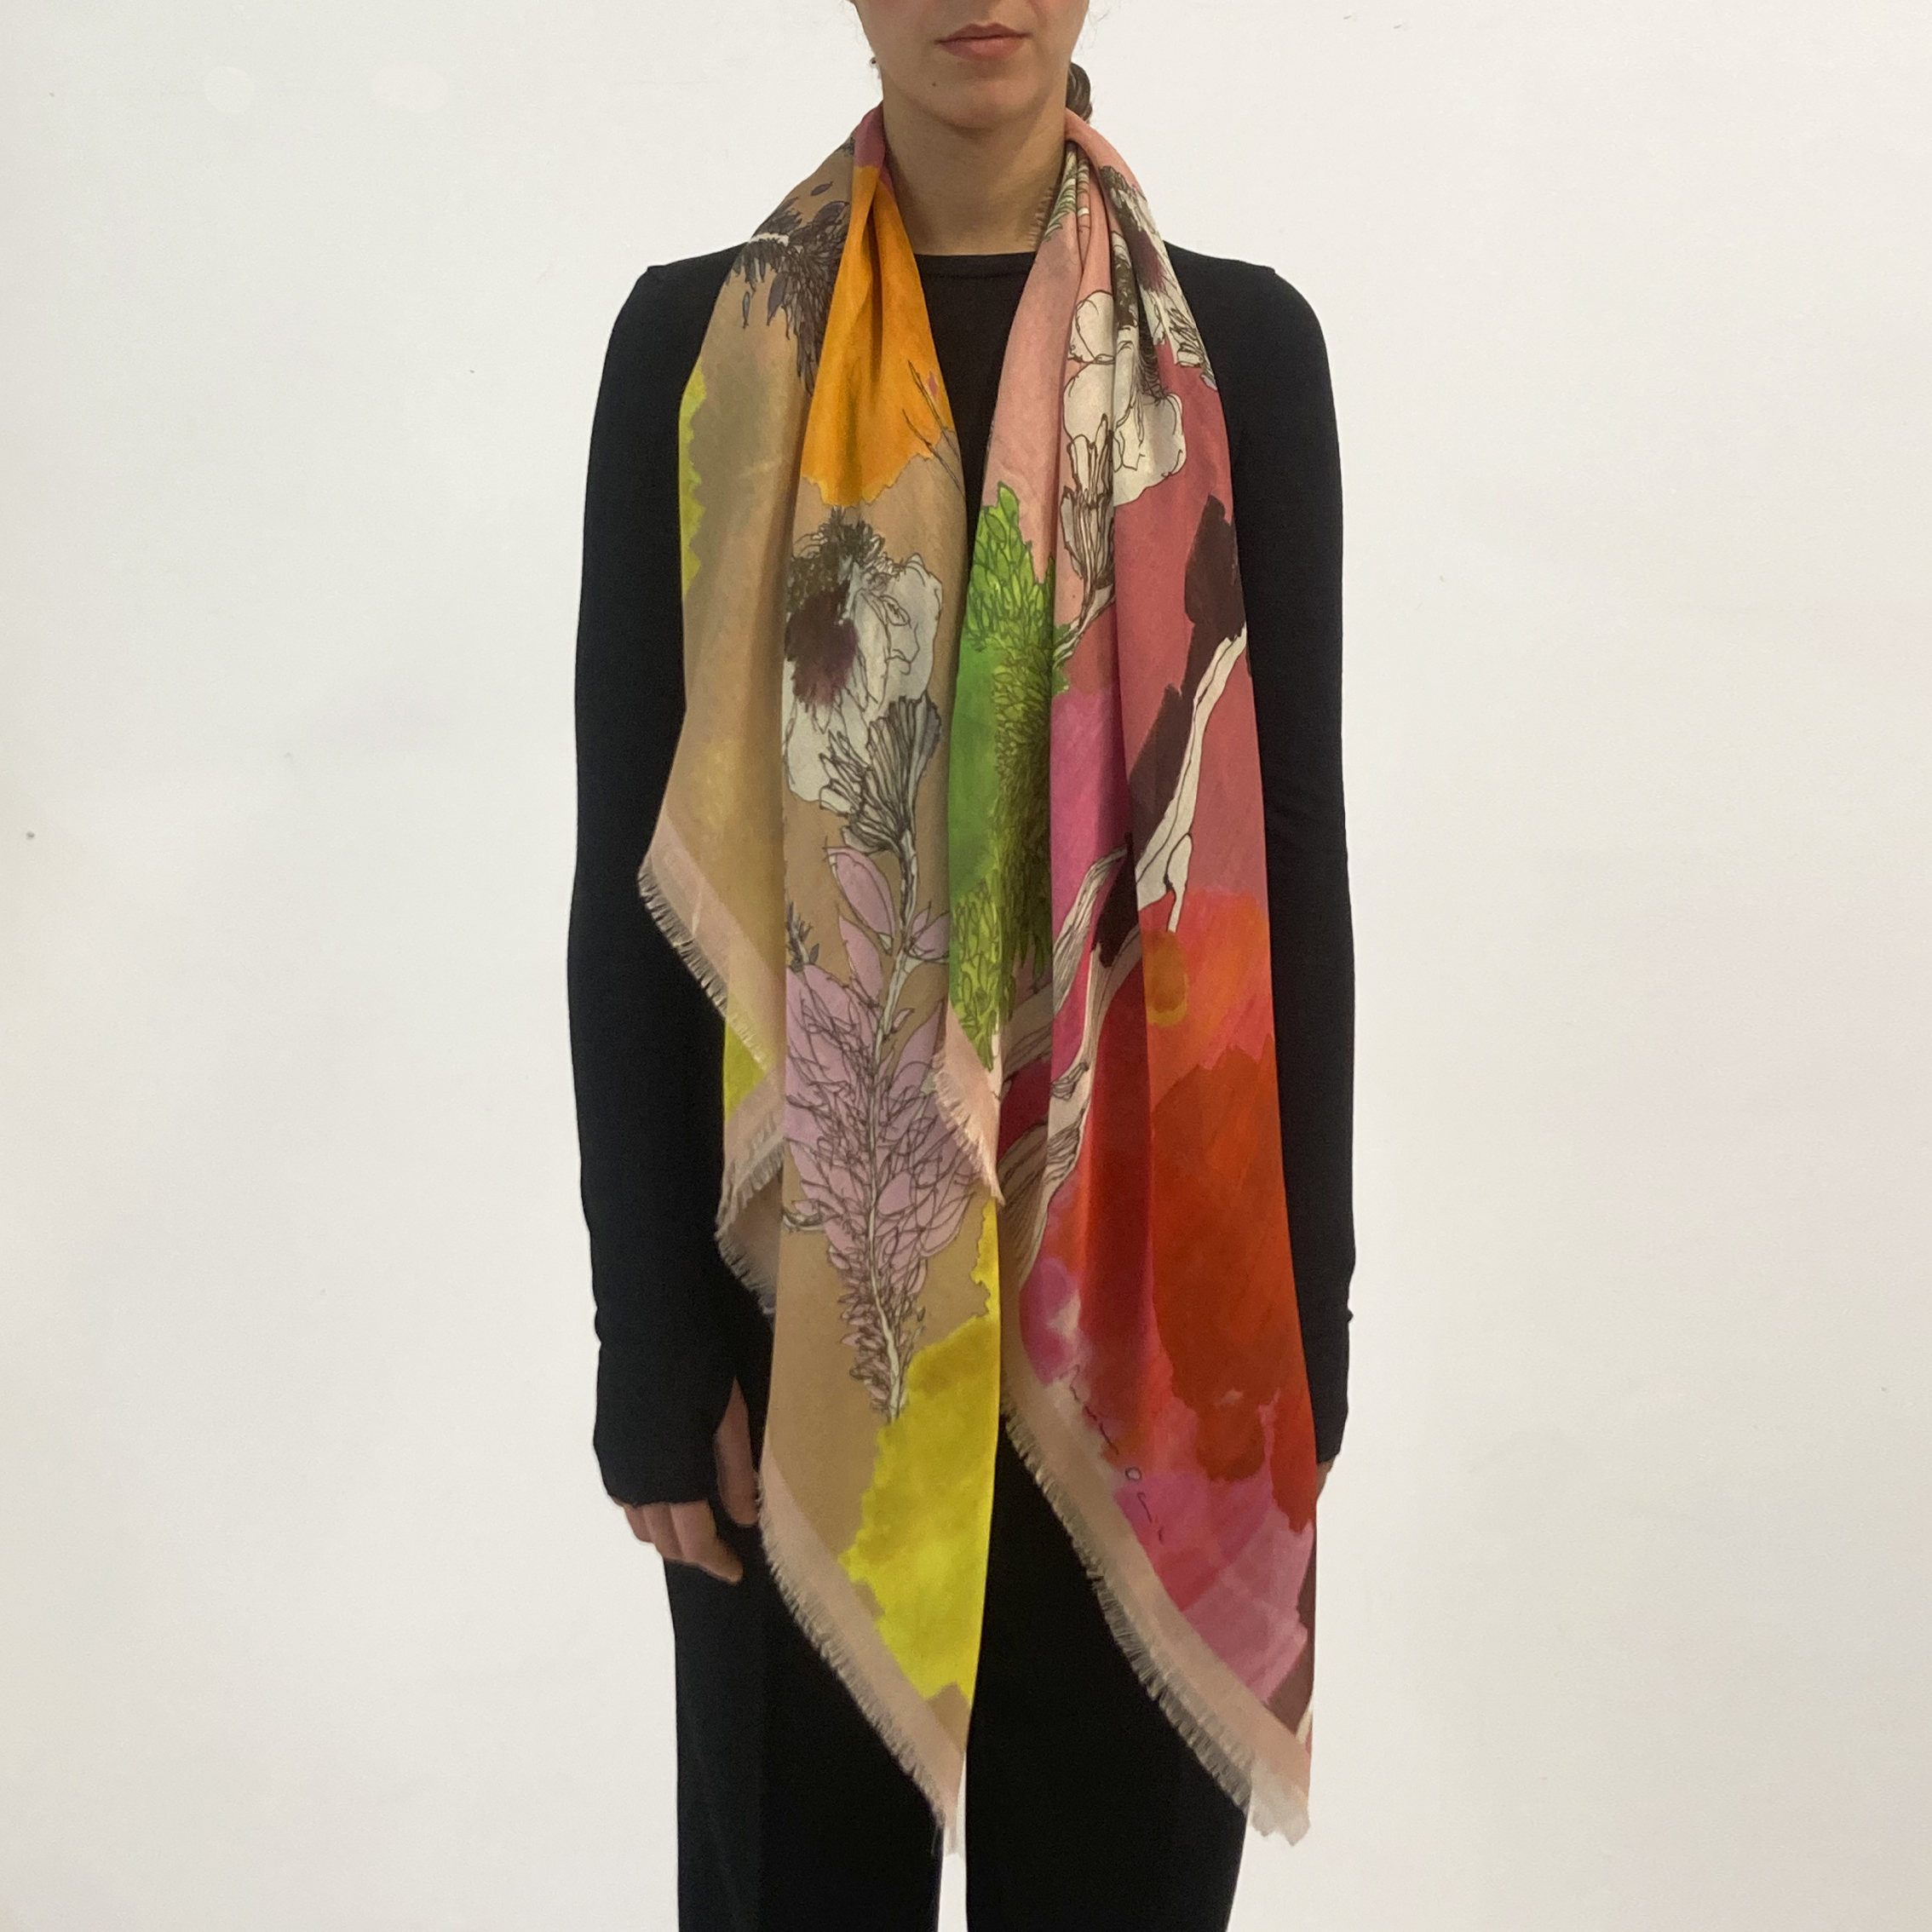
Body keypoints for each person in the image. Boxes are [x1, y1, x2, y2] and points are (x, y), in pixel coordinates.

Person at [566, 5, 1354, 1927]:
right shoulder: (699, 348)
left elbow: (1291, 866)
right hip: (800, 1316)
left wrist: (1303, 1328)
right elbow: (624, 872)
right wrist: (652, 1338)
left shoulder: (1244, 353)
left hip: (1150, 1320)